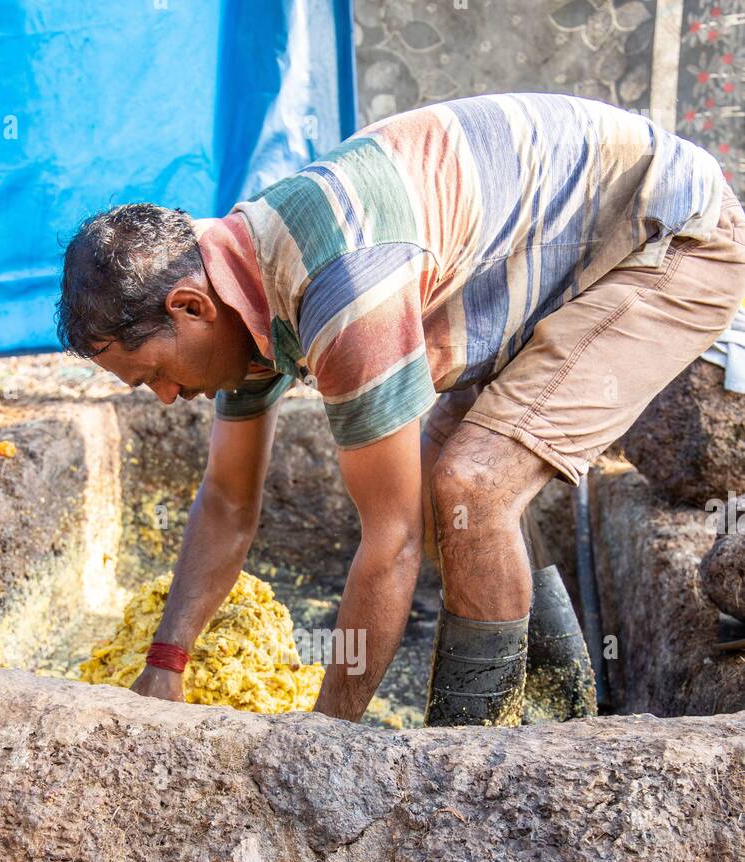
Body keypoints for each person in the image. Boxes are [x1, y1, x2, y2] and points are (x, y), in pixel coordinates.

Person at [56, 92, 745, 724]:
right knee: (453, 485)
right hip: (558, 257)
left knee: (470, 484)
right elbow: (228, 502)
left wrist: (323, 736)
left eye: (153, 375)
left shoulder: (340, 286)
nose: (169, 398)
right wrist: (166, 663)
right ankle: (557, 715)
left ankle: (474, 761)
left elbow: (391, 546)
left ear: (191, 307)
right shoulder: (239, 282)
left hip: (673, 236)